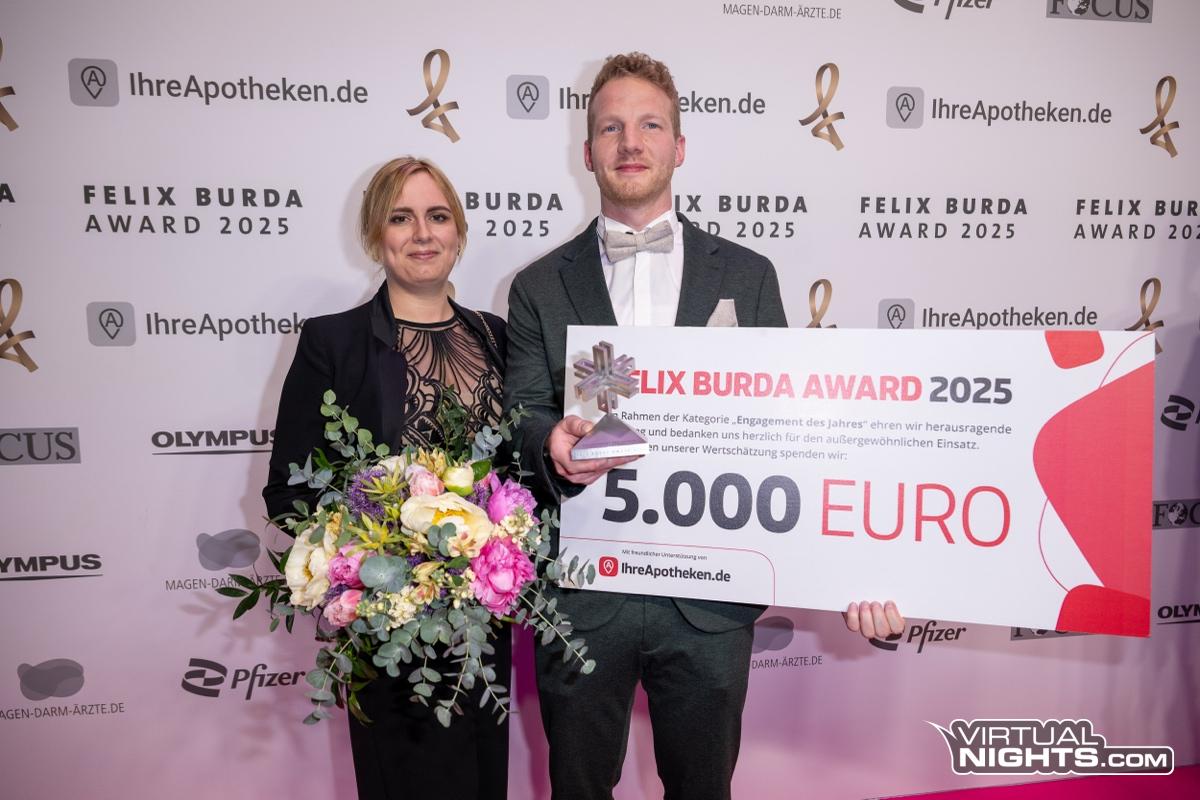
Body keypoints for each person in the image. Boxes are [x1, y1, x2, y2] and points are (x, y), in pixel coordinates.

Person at [503, 53, 904, 800]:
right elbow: (523, 412)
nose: (631, 142)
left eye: (650, 125)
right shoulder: (537, 285)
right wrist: (549, 444)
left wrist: (865, 569)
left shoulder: (748, 276)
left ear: (679, 145)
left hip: (711, 600)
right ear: (587, 151)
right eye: (612, 128)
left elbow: (791, 436)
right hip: (584, 594)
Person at [263, 156, 510, 800]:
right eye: (401, 218)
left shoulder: (498, 338)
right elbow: (289, 490)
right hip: (390, 626)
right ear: (375, 235)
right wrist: (370, 564)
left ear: (459, 231)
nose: (422, 233)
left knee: (484, 778)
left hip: (485, 625)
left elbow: (522, 475)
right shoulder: (333, 341)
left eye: (438, 216)